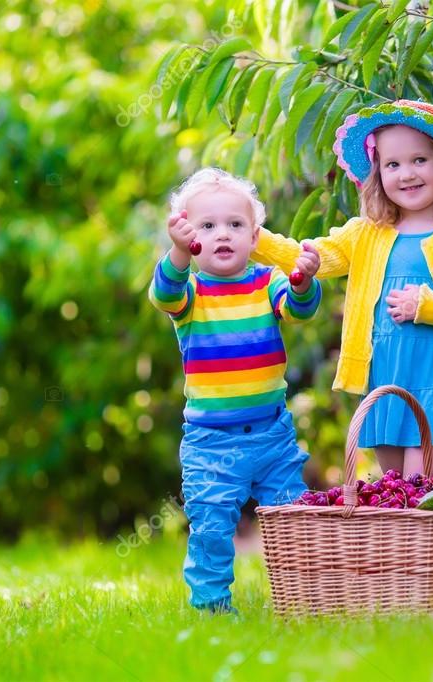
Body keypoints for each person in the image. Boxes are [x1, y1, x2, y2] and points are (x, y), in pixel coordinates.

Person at [253, 100, 433, 485]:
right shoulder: (366, 234)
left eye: (420, 160)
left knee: (421, 488)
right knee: (401, 496)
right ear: (378, 173)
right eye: (392, 165)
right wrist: (253, 237)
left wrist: (429, 306)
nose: (406, 174)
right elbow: (311, 255)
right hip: (388, 384)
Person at [148, 167, 321, 614]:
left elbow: (298, 309)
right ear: (190, 238)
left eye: (235, 225)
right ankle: (211, 605)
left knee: (293, 521)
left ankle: (303, 599)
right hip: (211, 443)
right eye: (206, 226)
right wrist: (178, 253)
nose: (222, 235)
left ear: (255, 235)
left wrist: (303, 281)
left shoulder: (267, 282)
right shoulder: (191, 292)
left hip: (273, 436)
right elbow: (163, 294)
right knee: (210, 527)